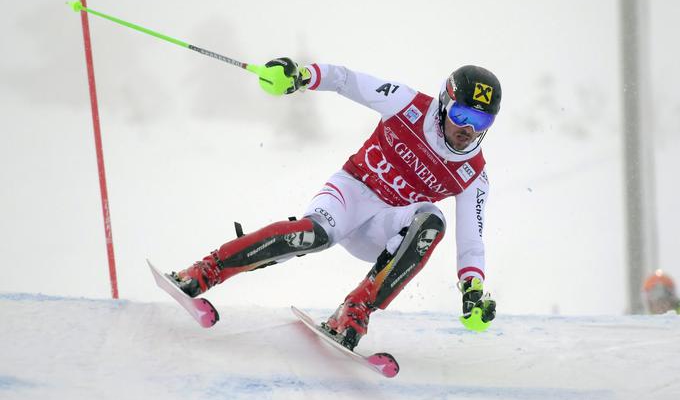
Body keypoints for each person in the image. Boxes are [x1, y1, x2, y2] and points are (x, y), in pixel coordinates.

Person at [169, 58, 500, 350]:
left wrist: (473, 288)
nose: (468, 130)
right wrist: (301, 76)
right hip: (351, 193)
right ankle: (203, 272)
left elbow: (472, 242)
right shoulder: (407, 103)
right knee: (315, 235)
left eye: (481, 122)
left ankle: (354, 313)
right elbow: (344, 79)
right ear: (444, 103)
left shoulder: (475, 174)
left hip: (384, 229)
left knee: (432, 219)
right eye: (461, 114)